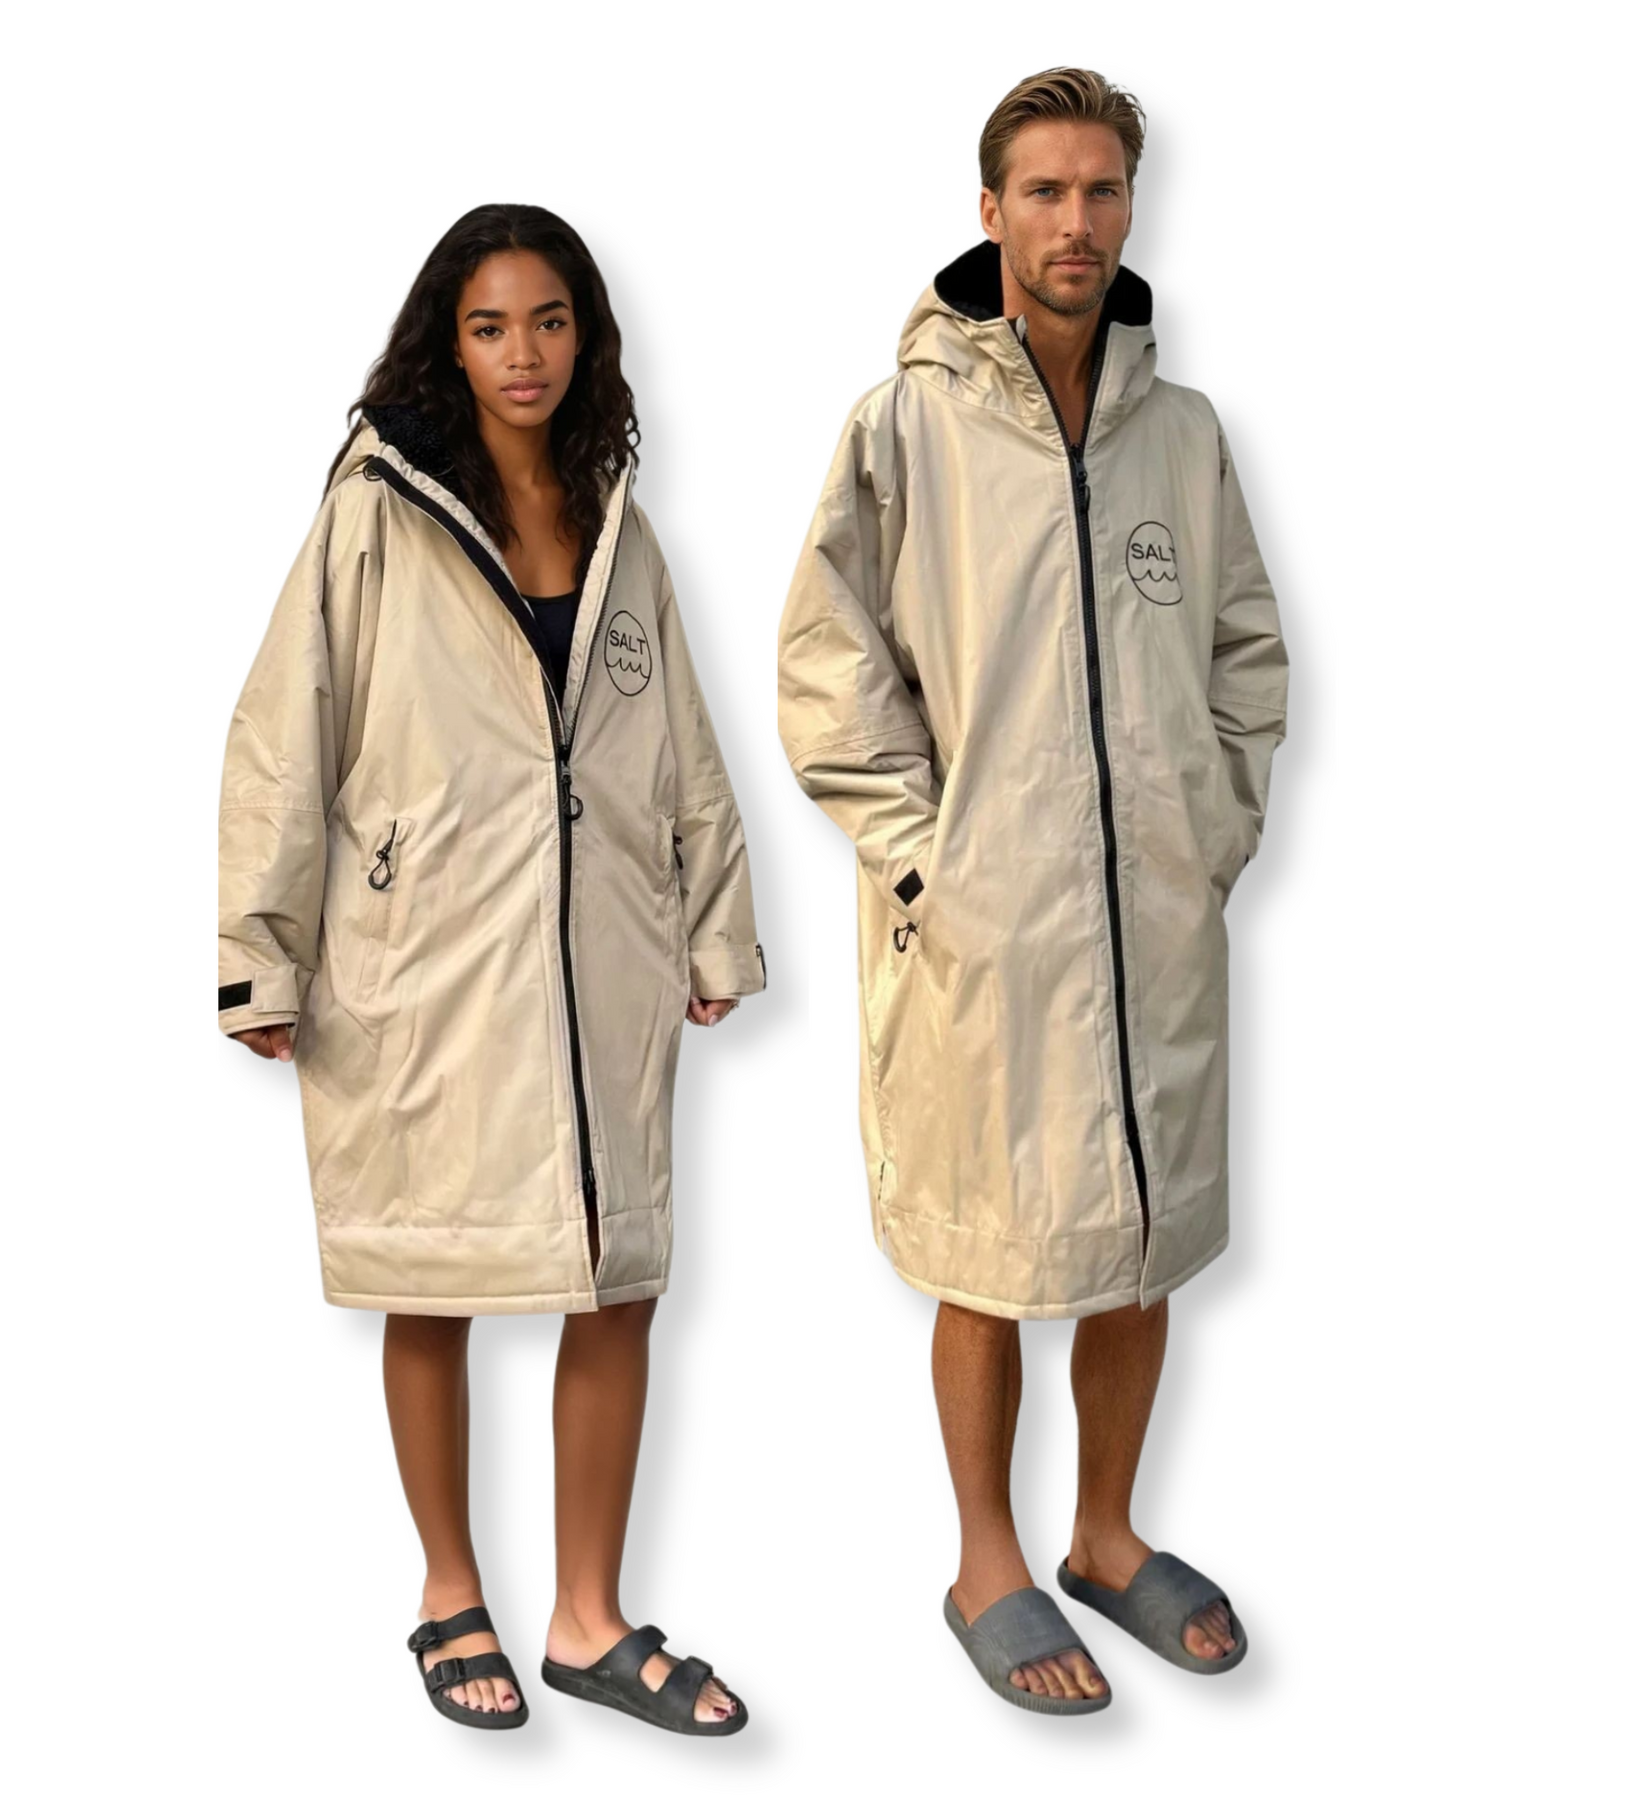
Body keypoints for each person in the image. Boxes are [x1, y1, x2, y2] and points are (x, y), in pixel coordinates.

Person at [776, 68, 1288, 1715]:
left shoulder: (1181, 436)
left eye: (1103, 190)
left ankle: (1109, 1535)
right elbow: (826, 667)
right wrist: (932, 863)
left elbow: (1247, 652)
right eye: (1047, 192)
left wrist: (1209, 827)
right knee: (990, 1248)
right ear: (989, 210)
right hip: (982, 933)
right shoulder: (906, 427)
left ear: (1132, 207)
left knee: (1137, 1236)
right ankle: (986, 1557)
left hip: (1155, 926)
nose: (1078, 223)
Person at [217, 204, 763, 1735]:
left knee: (616, 1278)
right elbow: (282, 733)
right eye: (489, 325)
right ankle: (450, 1589)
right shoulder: (374, 514)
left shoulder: (618, 524)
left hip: (604, 965)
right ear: (445, 346)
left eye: (549, 320)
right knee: (434, 1271)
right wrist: (260, 953)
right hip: (425, 962)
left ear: (585, 335)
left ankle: (587, 1617)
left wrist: (715, 924)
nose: (524, 353)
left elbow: (684, 744)